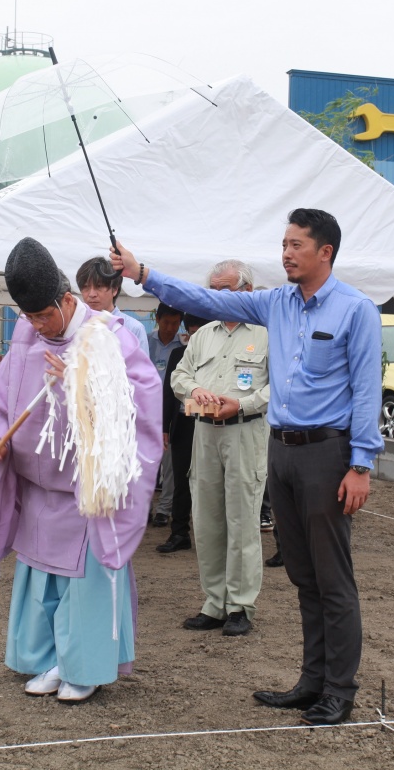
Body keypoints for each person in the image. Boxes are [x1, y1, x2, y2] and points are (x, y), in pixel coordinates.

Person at [110, 208, 383, 726]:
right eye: (283, 243)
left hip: (328, 454)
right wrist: (142, 272)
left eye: (296, 245)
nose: (286, 252)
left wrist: (361, 465)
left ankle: (339, 690)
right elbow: (207, 299)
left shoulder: (355, 310)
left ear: (325, 252)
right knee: (302, 575)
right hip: (280, 451)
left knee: (333, 579)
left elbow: (368, 390)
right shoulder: (276, 303)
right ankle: (312, 681)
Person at [0, 237, 163, 704]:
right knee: (41, 579)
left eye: (43, 316)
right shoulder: (26, 339)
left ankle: (84, 666)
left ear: (67, 300)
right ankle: (45, 658)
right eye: (29, 317)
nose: (36, 326)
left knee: (82, 585)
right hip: (39, 489)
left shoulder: (106, 334)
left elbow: (143, 397)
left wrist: (84, 377)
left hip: (85, 491)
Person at [169, 260, 269, 638]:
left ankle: (241, 605)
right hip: (204, 430)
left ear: (246, 291)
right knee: (207, 519)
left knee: (242, 520)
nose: (215, 296)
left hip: (244, 430)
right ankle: (213, 603)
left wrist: (241, 404)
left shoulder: (267, 333)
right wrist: (195, 391)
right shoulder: (204, 334)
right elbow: (180, 375)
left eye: (224, 289)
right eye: (212, 288)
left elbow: (281, 386)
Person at [156, 312, 212, 555]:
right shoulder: (178, 354)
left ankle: (210, 537)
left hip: (211, 423)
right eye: (191, 332)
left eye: (200, 332)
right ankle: (179, 532)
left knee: (210, 481)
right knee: (181, 479)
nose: (195, 337)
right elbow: (169, 393)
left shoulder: (216, 356)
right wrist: (164, 427)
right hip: (183, 422)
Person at [147, 303, 184, 527]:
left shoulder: (185, 345)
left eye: (175, 323)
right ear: (157, 319)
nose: (170, 328)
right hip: (146, 410)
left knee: (169, 463)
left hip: (170, 412)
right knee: (146, 463)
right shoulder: (145, 342)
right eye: (166, 322)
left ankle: (164, 509)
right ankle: (144, 507)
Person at [76, 256, 149, 355]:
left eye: (99, 286)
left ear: (114, 289)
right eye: (85, 287)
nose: (92, 294)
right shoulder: (76, 325)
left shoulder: (133, 329)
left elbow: (141, 369)